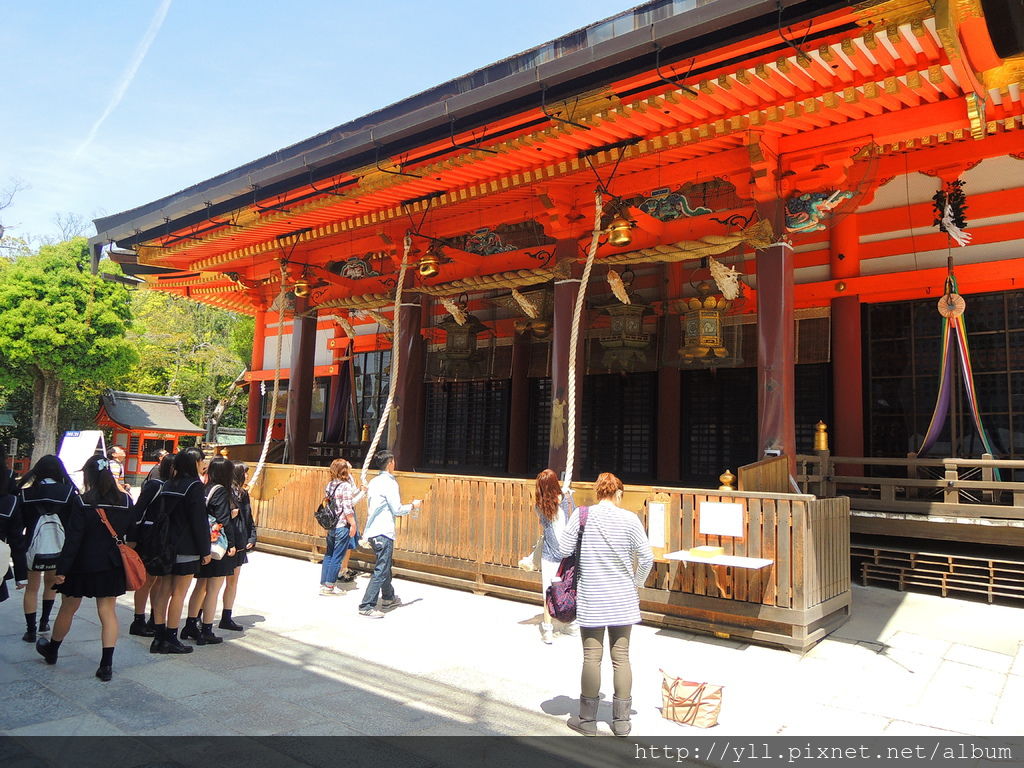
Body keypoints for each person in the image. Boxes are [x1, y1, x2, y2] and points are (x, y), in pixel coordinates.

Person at [556, 472, 653, 738]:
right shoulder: (630, 519)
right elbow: (647, 558)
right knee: (621, 658)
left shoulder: (583, 515)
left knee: (592, 658)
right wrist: (637, 583)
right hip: (622, 597)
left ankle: (587, 721)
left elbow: (564, 549)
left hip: (592, 596)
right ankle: (621, 722)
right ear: (619, 493)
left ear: (598, 493)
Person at [35, 455, 134, 681]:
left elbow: (74, 539)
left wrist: (61, 569)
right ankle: (106, 665)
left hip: (81, 564)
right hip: (111, 564)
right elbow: (133, 533)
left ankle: (52, 650)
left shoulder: (82, 501)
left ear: (89, 475)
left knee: (68, 608)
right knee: (107, 612)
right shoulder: (126, 501)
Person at [143, 450, 211, 654]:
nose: (204, 464)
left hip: (165, 544)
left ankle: (158, 636)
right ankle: (171, 637)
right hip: (186, 545)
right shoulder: (195, 486)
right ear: (194, 463)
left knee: (164, 589)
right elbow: (199, 521)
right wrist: (205, 549)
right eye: (201, 461)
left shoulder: (168, 484)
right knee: (179, 593)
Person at [16, 455, 79, 643]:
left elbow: (19, 525)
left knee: (31, 589)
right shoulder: (68, 492)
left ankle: (30, 630)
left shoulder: (26, 494)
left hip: (32, 547)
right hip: (59, 546)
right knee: (51, 585)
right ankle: (44, 622)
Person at [181, 456, 237, 645]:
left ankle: (190, 624)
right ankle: (206, 629)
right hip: (217, 543)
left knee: (200, 586)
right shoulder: (221, 491)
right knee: (213, 589)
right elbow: (223, 519)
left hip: (203, 543)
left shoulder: (204, 488)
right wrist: (232, 543)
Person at [358, 450, 420, 618]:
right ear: (390, 463)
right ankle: (366, 605)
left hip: (373, 531)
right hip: (383, 530)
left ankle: (388, 597)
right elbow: (397, 509)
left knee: (384, 566)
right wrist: (413, 506)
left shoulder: (374, 482)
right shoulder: (390, 483)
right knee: (381, 569)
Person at [127, 452, 174, 637]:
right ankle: (138, 619)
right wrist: (133, 538)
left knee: (159, 580)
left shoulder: (173, 487)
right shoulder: (155, 485)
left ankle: (155, 617)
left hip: (163, 538)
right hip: (148, 537)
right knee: (146, 580)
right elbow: (138, 511)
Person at [534, 468, 575, 644]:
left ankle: (548, 629)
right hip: (567, 552)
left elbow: (544, 522)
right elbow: (572, 519)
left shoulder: (539, 506)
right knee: (569, 588)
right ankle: (569, 624)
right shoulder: (566, 500)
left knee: (548, 591)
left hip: (549, 553)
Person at [219, 461, 256, 631]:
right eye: (245, 473)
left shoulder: (243, 494)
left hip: (240, 540)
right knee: (214, 583)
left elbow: (249, 516)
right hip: (226, 540)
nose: (247, 476)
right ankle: (199, 616)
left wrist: (252, 535)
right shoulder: (224, 492)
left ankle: (227, 615)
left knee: (233, 581)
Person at [320, 458, 363, 595]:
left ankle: (324, 583)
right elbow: (347, 507)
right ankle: (330, 586)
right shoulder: (345, 486)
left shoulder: (330, 485)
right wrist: (353, 524)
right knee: (337, 557)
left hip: (331, 525)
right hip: (342, 525)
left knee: (329, 554)